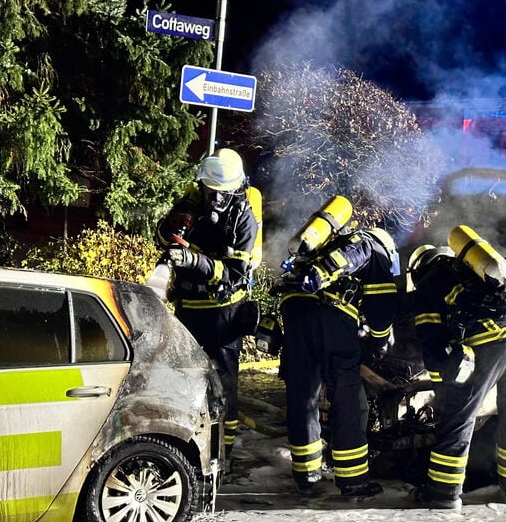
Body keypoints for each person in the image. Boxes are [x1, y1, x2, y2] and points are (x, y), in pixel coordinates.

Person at [407, 227, 506, 510]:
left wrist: (442, 384)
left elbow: (431, 338)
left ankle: (443, 493)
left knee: (459, 417)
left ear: (419, 268)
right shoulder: (486, 269)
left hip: (489, 341)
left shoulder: (432, 279)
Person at [273, 197, 399, 498]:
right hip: (332, 316)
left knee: (302, 394)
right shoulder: (374, 246)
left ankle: (306, 478)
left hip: (294, 311)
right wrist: (379, 341)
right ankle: (353, 482)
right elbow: (381, 304)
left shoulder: (326, 243)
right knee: (346, 398)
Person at [156, 148, 259, 466]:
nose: (215, 200)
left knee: (222, 385)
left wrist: (194, 260)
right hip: (188, 308)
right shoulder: (190, 201)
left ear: (235, 190)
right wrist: (172, 230)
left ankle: (221, 453)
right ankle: (183, 444)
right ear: (202, 185)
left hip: (223, 314)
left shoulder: (244, 220)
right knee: (180, 377)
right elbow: (162, 234)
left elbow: (234, 275)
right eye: (210, 192)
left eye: (222, 194)